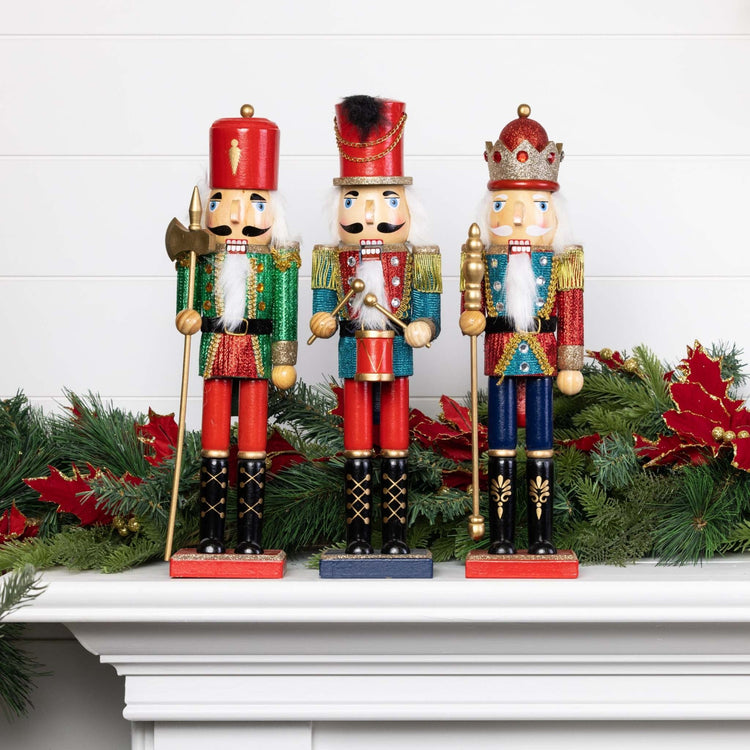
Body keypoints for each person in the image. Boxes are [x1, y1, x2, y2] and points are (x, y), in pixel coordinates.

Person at [310, 95, 441, 555]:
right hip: (354, 353)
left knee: (396, 442)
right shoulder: (330, 257)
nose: (369, 216)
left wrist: (424, 326)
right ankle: (359, 537)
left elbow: (429, 310)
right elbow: (323, 306)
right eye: (354, 201)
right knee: (358, 441)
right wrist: (322, 320)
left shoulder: (421, 258)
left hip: (396, 354)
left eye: (386, 200)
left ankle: (397, 537)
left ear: (408, 208)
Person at [173, 104, 299, 555]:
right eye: (222, 201)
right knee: (212, 438)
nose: (237, 213)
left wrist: (284, 357)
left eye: (254, 203)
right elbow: (186, 300)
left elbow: (286, 309)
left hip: (258, 349)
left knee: (252, 440)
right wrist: (186, 315)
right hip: (215, 347)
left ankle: (250, 536)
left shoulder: (278, 259)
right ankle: (210, 534)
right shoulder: (201, 256)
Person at [460, 104, 583, 555]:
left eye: (534, 207)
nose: (516, 217)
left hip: (545, 357)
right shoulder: (480, 256)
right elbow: (470, 305)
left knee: (541, 446)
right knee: (501, 445)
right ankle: (502, 538)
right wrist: (470, 318)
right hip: (500, 356)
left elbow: (572, 313)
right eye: (502, 205)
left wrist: (571, 363)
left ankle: (543, 538)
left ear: (554, 213)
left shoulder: (564, 261)